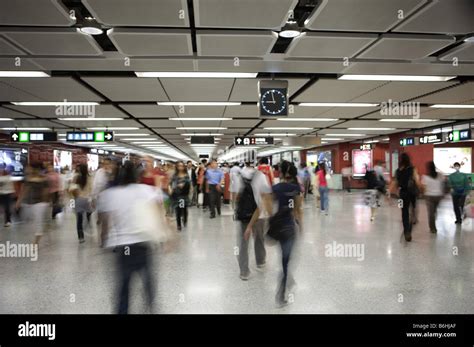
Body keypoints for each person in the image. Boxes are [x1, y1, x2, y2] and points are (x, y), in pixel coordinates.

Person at [98, 161, 168, 314]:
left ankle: (122, 310)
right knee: (148, 278)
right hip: (143, 242)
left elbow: (104, 222)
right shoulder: (145, 190)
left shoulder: (110, 194)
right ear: (138, 177)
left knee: (123, 282)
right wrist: (163, 234)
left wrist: (103, 240)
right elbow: (159, 209)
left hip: (123, 246)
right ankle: (150, 306)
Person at [248, 160, 302, 307]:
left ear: (281, 173)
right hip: (289, 229)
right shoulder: (296, 188)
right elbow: (297, 211)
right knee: (286, 261)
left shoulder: (275, 188)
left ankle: (287, 280)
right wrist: (301, 227)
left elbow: (267, 209)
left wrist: (251, 225)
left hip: (277, 229)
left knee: (284, 259)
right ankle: (281, 292)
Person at [235, 162, 272, 280]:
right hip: (259, 213)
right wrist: (270, 213)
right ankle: (260, 262)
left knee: (243, 242)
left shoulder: (238, 175)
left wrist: (235, 210)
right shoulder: (261, 175)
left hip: (244, 214)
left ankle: (244, 272)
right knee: (259, 238)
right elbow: (266, 195)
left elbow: (236, 196)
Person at [16, 163, 50, 245]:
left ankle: (36, 242)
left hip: (40, 204)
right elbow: (23, 191)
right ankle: (38, 233)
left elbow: (46, 192)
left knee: (38, 222)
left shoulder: (44, 179)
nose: (27, 170)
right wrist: (19, 201)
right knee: (29, 222)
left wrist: (46, 202)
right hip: (28, 203)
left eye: (29, 168)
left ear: (36, 169)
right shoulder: (27, 179)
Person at [391, 153, 421, 242]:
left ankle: (406, 231)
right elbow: (417, 181)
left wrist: (390, 193)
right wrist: (421, 189)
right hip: (412, 193)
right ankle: (409, 230)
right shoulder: (413, 169)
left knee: (404, 213)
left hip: (402, 194)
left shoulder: (397, 171)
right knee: (413, 212)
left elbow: (395, 183)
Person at [70, 164, 92, 243]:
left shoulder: (76, 178)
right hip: (87, 200)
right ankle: (87, 225)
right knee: (89, 214)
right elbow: (91, 190)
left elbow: (71, 189)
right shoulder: (89, 178)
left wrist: (74, 200)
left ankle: (81, 237)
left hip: (78, 200)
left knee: (79, 219)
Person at [421, 161, 446, 233]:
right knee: (434, 211)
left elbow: (424, 187)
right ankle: (433, 223)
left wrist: (423, 193)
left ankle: (433, 228)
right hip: (438, 196)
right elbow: (444, 183)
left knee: (431, 213)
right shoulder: (440, 175)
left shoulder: (425, 176)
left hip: (429, 196)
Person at [170, 161, 191, 231]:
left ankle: (184, 219)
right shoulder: (174, 175)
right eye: (179, 166)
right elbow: (171, 184)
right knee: (178, 210)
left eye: (182, 166)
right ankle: (178, 225)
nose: (180, 167)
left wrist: (184, 185)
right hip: (176, 195)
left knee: (183, 209)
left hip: (183, 195)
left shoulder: (186, 175)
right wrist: (173, 188)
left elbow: (188, 184)